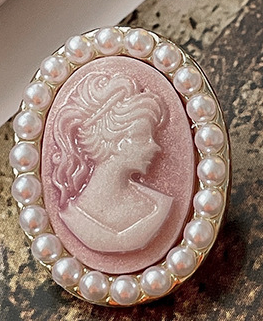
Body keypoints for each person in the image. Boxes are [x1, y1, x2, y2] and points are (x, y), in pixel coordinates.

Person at [49, 71, 172, 253]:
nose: (155, 147)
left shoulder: (159, 206)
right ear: (110, 140)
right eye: (141, 136)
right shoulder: (71, 217)